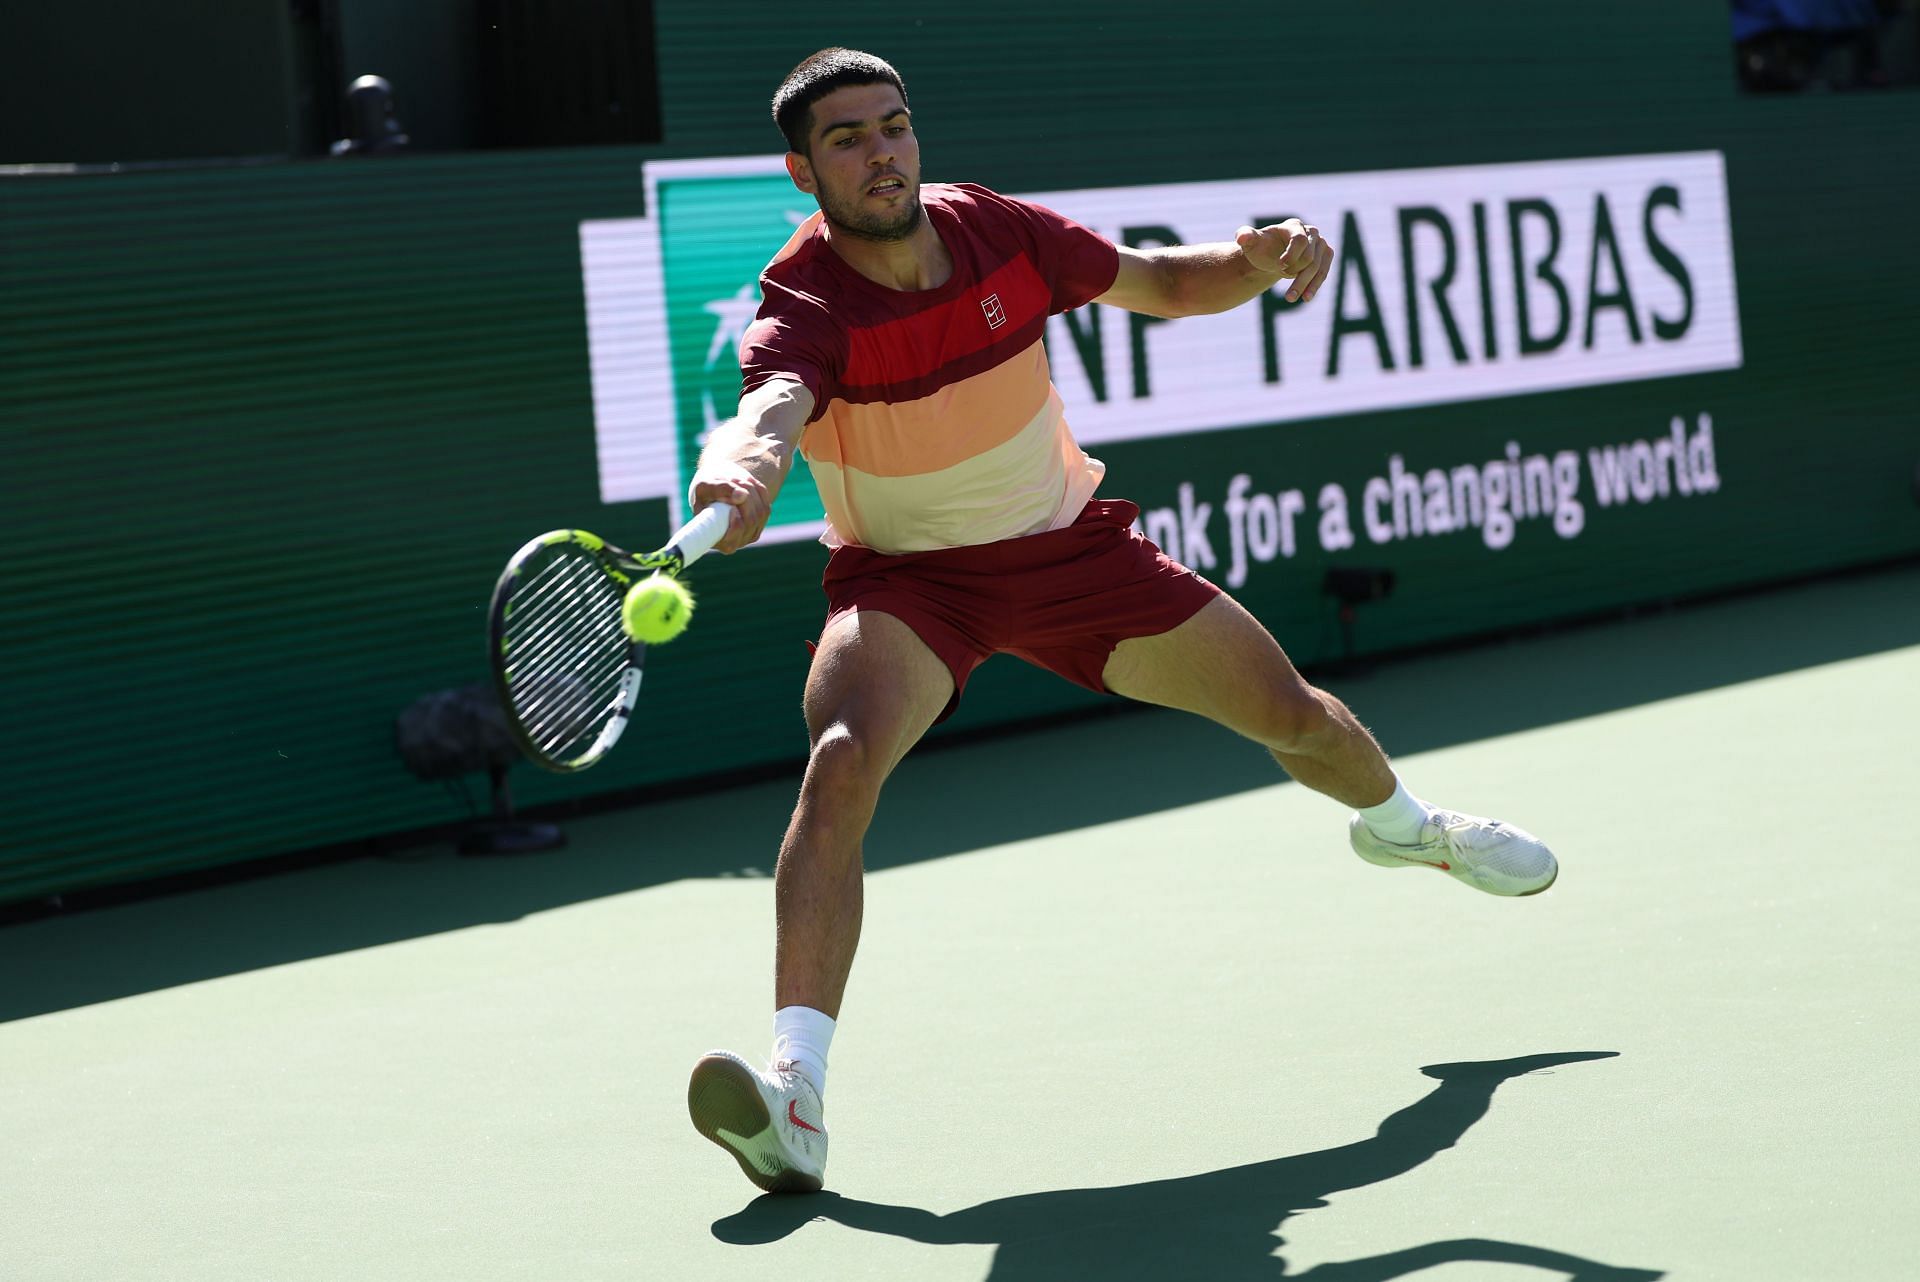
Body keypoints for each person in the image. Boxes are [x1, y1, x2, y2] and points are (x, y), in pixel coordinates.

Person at [684, 48, 1558, 1196]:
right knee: (839, 764)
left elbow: (1163, 283)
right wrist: (738, 477)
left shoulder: (995, 229)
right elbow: (770, 407)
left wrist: (1255, 259)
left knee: (1297, 718)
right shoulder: (805, 298)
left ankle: (1406, 825)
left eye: (892, 126)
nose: (881, 151)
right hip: (908, 584)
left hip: (1071, 555)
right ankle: (796, 1096)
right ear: (803, 172)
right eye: (847, 139)